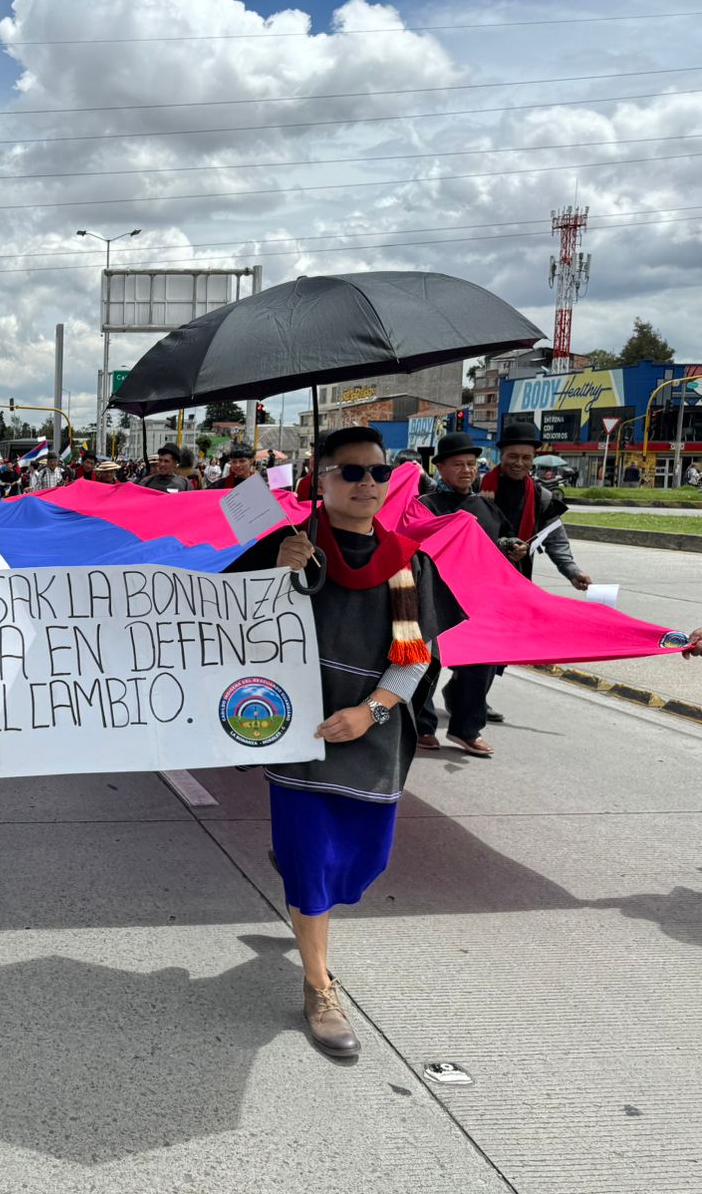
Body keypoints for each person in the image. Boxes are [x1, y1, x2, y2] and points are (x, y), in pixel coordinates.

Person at [235, 426, 463, 1058]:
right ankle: (318, 986)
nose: (368, 483)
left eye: (378, 472)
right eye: (352, 471)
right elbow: (228, 631)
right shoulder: (285, 550)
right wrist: (271, 575)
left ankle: (303, 873)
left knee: (361, 863)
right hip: (300, 735)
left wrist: (371, 711)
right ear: (321, 477)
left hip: (371, 738)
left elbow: (414, 657)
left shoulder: (407, 562)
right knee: (313, 866)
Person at [414, 432, 518, 757]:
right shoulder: (424, 507)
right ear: (440, 467)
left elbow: (501, 541)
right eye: (457, 464)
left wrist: (511, 548)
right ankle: (422, 726)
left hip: (476, 603)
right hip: (434, 599)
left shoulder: (485, 507)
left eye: (471, 464)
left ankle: (466, 729)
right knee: (426, 668)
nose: (466, 470)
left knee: (481, 665)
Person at [480, 421, 592, 591]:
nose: (519, 463)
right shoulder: (477, 488)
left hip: (519, 579)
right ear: (501, 454)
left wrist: (573, 571)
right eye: (512, 456)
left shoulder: (542, 497)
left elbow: (556, 540)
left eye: (526, 457)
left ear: (533, 458)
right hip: (478, 578)